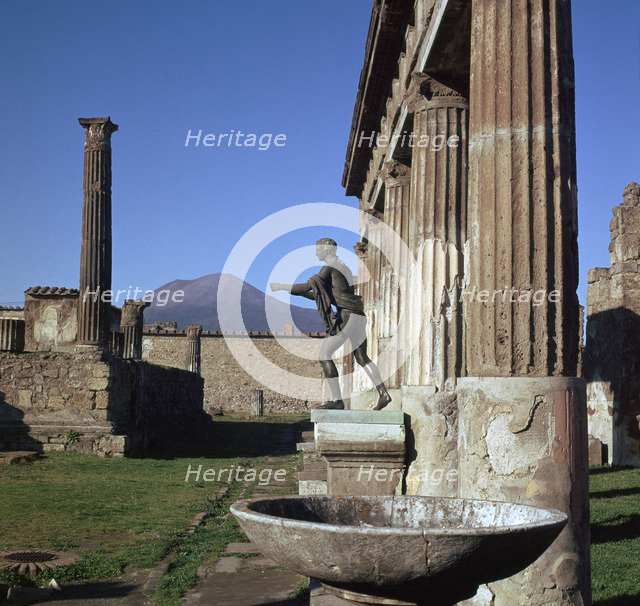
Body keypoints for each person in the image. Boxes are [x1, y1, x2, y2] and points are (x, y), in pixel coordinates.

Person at [270, 237, 392, 410]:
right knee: (362, 357)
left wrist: (281, 286)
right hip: (357, 315)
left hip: (347, 316)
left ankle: (337, 400)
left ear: (327, 250)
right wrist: (304, 293)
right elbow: (323, 295)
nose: (316, 252)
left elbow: (306, 287)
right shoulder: (344, 268)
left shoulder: (329, 268)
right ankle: (384, 394)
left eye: (318, 249)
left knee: (324, 355)